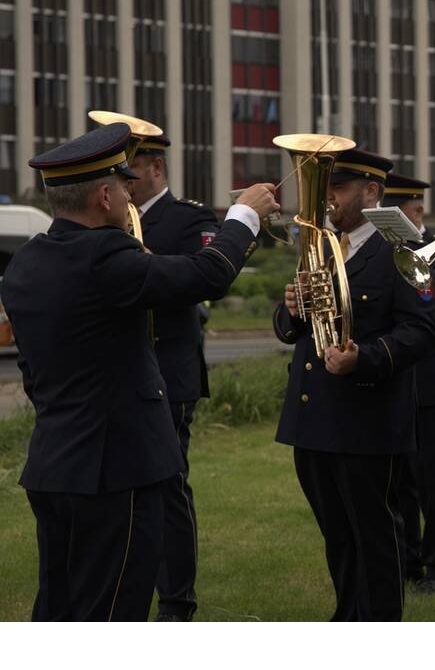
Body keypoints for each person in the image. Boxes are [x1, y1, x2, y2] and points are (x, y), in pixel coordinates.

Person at [2, 122, 277, 621]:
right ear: (104, 195)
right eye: (125, 185)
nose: (133, 194)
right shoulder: (107, 258)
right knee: (114, 611)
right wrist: (243, 217)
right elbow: (207, 274)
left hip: (55, 463)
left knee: (59, 608)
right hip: (117, 472)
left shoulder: (28, 262)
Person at [274, 148, 435, 622]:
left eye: (338, 189)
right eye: (326, 188)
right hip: (313, 416)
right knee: (338, 534)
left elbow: (421, 331)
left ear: (371, 192)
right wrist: (291, 308)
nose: (328, 199)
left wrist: (363, 358)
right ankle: (348, 617)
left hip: (366, 416)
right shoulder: (322, 247)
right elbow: (293, 327)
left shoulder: (401, 250)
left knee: (374, 535)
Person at [126, 131, 220, 621]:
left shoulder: (188, 218)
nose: (125, 182)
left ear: (156, 169)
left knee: (167, 486)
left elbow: (198, 278)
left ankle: (177, 599)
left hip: (169, 369)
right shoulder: (114, 221)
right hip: (123, 371)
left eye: (132, 171)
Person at [384, 173, 435, 594]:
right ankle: (406, 561)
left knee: (433, 483)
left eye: (405, 215)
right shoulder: (380, 252)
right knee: (397, 483)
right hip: (393, 379)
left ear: (416, 211)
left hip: (430, 386)